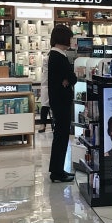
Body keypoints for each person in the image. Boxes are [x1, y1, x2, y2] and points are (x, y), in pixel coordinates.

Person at [47, 24, 76, 183]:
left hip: (58, 101)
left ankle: (57, 169)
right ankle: (57, 171)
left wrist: (67, 80)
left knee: (60, 136)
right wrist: (67, 80)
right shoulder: (58, 56)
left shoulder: (55, 55)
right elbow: (73, 78)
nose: (71, 41)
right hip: (61, 102)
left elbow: (68, 79)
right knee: (61, 136)